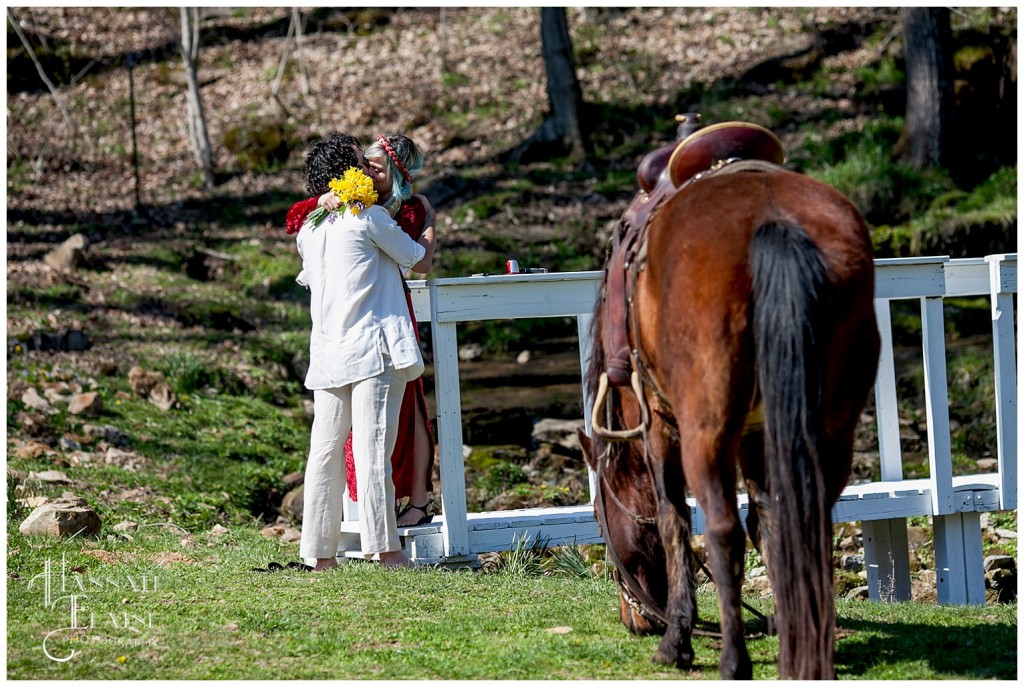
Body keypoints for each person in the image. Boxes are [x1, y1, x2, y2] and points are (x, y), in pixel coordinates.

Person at [294, 132, 436, 570]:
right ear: (345, 172)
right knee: (373, 446)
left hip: (329, 350)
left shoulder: (310, 229)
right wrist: (430, 221)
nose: (366, 170)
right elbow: (416, 257)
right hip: (373, 348)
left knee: (325, 450)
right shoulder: (367, 217)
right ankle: (386, 550)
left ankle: (318, 555)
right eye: (359, 162)